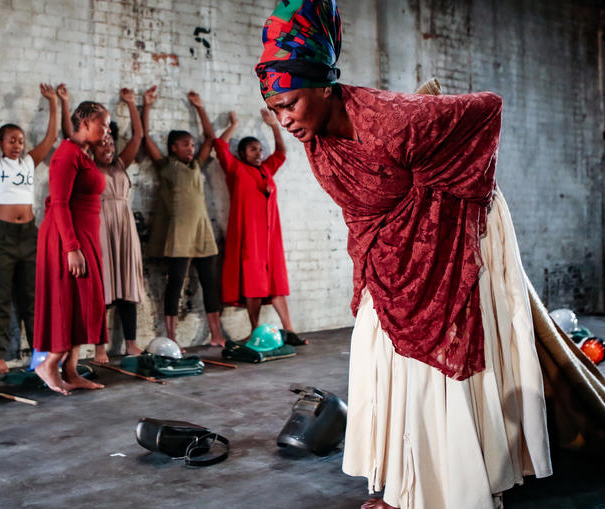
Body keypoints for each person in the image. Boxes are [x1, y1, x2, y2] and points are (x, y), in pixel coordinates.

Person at [256, 1, 552, 508]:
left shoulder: (391, 121)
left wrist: (433, 184)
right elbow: (363, 207)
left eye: (291, 103)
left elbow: (489, 107)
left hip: (448, 242)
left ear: (325, 86)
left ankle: (454, 491)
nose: (284, 120)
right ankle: (404, 487)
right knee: (383, 362)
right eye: (274, 108)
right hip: (389, 256)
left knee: (436, 365)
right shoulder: (317, 137)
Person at [0, 80, 58, 374]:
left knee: (34, 297)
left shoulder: (29, 162)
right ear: (0, 144)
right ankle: (0, 358)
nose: (17, 145)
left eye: (20, 140)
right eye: (11, 140)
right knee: (0, 297)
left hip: (30, 235)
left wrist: (53, 102)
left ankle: (40, 357)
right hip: (2, 237)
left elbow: (52, 136)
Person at [58, 84, 145, 363]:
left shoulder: (120, 165)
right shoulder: (87, 166)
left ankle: (131, 343)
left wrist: (132, 104)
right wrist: (64, 103)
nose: (107, 147)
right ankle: (99, 349)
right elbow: (68, 135)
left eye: (110, 143)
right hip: (100, 227)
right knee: (103, 287)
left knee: (127, 284)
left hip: (124, 228)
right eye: (102, 144)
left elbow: (139, 135)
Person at [33, 101, 111, 395]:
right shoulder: (66, 154)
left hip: (83, 238)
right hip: (68, 239)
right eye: (103, 124)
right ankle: (49, 364)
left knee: (83, 303)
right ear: (86, 123)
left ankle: (72, 370)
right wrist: (71, 247)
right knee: (67, 300)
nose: (107, 130)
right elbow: (60, 203)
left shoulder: (83, 154)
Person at [142, 86, 225, 349]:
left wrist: (199, 107)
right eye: (186, 145)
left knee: (210, 284)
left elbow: (210, 139)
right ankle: (171, 335)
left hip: (202, 231)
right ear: (173, 148)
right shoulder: (166, 166)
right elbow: (145, 138)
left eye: (191, 144)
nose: (191, 148)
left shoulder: (196, 165)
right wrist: (145, 106)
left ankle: (216, 334)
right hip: (178, 233)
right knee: (175, 285)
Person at [214, 109, 300, 340]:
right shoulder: (235, 169)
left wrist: (273, 126)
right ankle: (254, 330)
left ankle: (289, 330)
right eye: (253, 149)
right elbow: (219, 146)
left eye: (260, 149)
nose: (259, 153)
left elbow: (281, 153)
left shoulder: (266, 170)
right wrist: (233, 125)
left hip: (270, 237)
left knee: (276, 283)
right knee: (253, 283)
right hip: (248, 236)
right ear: (242, 153)